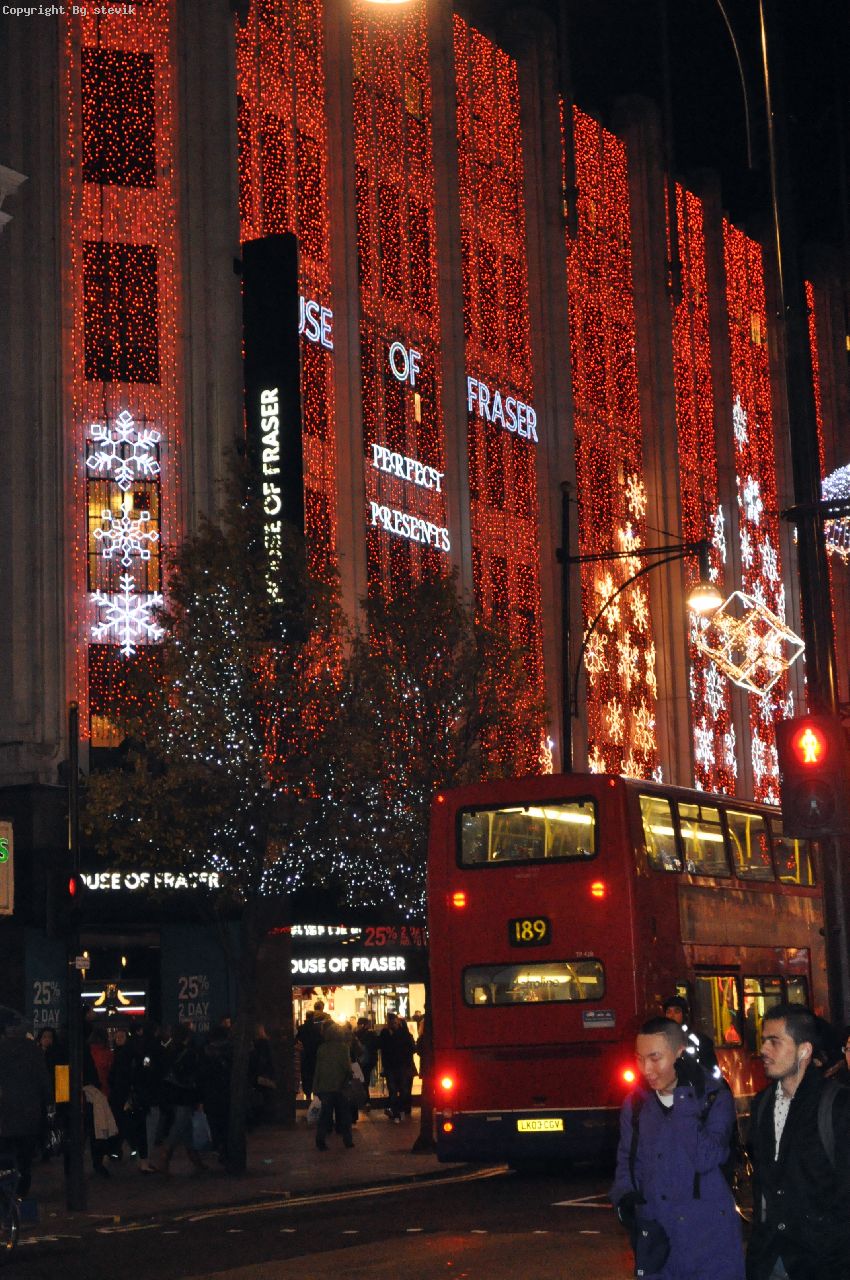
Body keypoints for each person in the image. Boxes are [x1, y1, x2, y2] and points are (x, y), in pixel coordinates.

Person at [612, 1016, 744, 1280]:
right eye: (639, 1059)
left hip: (710, 1244)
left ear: (680, 1055)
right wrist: (624, 1197)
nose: (646, 1069)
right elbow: (628, 1160)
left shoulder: (714, 1097)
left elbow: (705, 1157)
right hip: (658, 1241)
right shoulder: (636, 1104)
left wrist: (684, 1095)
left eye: (655, 1058)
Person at [747, 1002, 850, 1280]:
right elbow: (762, 1187)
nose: (764, 1050)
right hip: (771, 1260)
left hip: (822, 1263)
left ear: (804, 1050)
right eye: (763, 1040)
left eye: (774, 1041)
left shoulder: (837, 1104)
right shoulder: (762, 1104)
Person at [0, 1017, 52, 1197]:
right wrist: (49, 1104)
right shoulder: (34, 1051)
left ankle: (7, 1189)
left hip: (5, 1112)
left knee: (6, 1154)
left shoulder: (2, 1049)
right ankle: (22, 1190)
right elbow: (44, 1081)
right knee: (25, 1157)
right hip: (29, 1112)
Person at [154, 1022, 205, 1173]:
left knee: (185, 1125)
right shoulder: (189, 1053)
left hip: (171, 1092)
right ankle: (166, 1154)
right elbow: (194, 1076)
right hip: (185, 1093)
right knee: (180, 1124)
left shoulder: (169, 1051)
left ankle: (194, 1157)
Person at [312, 1022, 354, 1152]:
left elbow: (318, 1068)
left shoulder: (322, 1048)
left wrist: (316, 1086)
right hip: (340, 1086)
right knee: (344, 1114)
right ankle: (347, 1140)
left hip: (325, 1086)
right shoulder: (343, 1048)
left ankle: (320, 1140)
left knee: (325, 1115)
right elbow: (347, 1067)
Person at [662, 995, 719, 1075]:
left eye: (676, 1011)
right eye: (668, 1012)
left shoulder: (699, 1040)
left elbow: (712, 1071)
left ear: (684, 1014)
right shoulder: (660, 1040)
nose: (672, 1016)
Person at [379, 1011, 416, 1123]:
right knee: (396, 1090)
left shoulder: (401, 1034)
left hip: (398, 1065)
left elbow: (411, 1048)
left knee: (398, 1090)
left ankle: (398, 1111)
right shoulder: (387, 1034)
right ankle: (397, 1112)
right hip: (395, 1066)